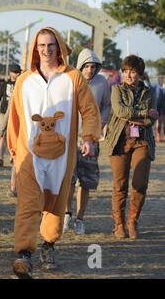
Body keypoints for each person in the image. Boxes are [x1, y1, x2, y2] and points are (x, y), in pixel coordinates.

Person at [7, 27, 100, 279]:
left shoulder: (73, 77)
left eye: (50, 45)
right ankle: (24, 254)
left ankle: (48, 244)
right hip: (30, 155)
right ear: (34, 49)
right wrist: (15, 152)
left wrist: (89, 137)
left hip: (62, 155)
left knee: (56, 203)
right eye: (41, 46)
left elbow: (90, 110)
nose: (46, 50)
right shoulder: (24, 80)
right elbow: (14, 119)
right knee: (28, 202)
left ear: (58, 47)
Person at [103, 55, 158, 240]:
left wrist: (137, 117)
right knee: (120, 184)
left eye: (133, 72)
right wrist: (142, 113)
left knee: (140, 183)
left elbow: (152, 118)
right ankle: (118, 224)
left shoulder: (149, 93)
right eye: (125, 71)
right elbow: (120, 111)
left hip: (142, 141)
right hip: (119, 141)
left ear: (140, 74)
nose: (129, 75)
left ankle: (132, 221)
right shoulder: (116, 89)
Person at [63, 49, 111, 235]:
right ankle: (67, 213)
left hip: (92, 139)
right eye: (87, 66)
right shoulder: (71, 80)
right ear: (80, 66)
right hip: (71, 138)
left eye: (93, 66)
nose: (90, 70)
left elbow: (107, 105)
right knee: (68, 180)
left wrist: (102, 123)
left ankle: (80, 219)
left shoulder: (102, 82)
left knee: (86, 182)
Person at [0, 64, 21, 168]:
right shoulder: (4, 85)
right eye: (14, 72)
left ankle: (13, 156)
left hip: (17, 113)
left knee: (16, 135)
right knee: (2, 135)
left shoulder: (22, 83)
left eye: (18, 72)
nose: (17, 74)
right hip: (4, 113)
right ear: (10, 73)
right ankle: (0, 157)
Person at [156, 76, 165, 142]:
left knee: (163, 123)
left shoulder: (164, 88)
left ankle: (163, 135)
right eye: (160, 79)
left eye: (162, 79)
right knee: (158, 122)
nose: (161, 80)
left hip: (163, 107)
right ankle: (158, 136)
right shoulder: (156, 88)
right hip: (158, 107)